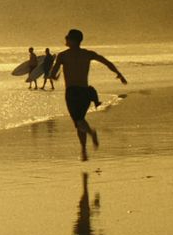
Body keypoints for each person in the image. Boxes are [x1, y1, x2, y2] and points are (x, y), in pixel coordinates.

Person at [49, 29, 127, 161]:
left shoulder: (62, 56)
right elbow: (107, 62)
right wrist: (119, 74)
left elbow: (53, 75)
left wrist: (54, 76)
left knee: (78, 121)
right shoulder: (88, 54)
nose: (65, 39)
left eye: (67, 37)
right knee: (80, 120)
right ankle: (83, 150)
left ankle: (91, 133)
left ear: (73, 40)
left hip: (72, 93)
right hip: (86, 92)